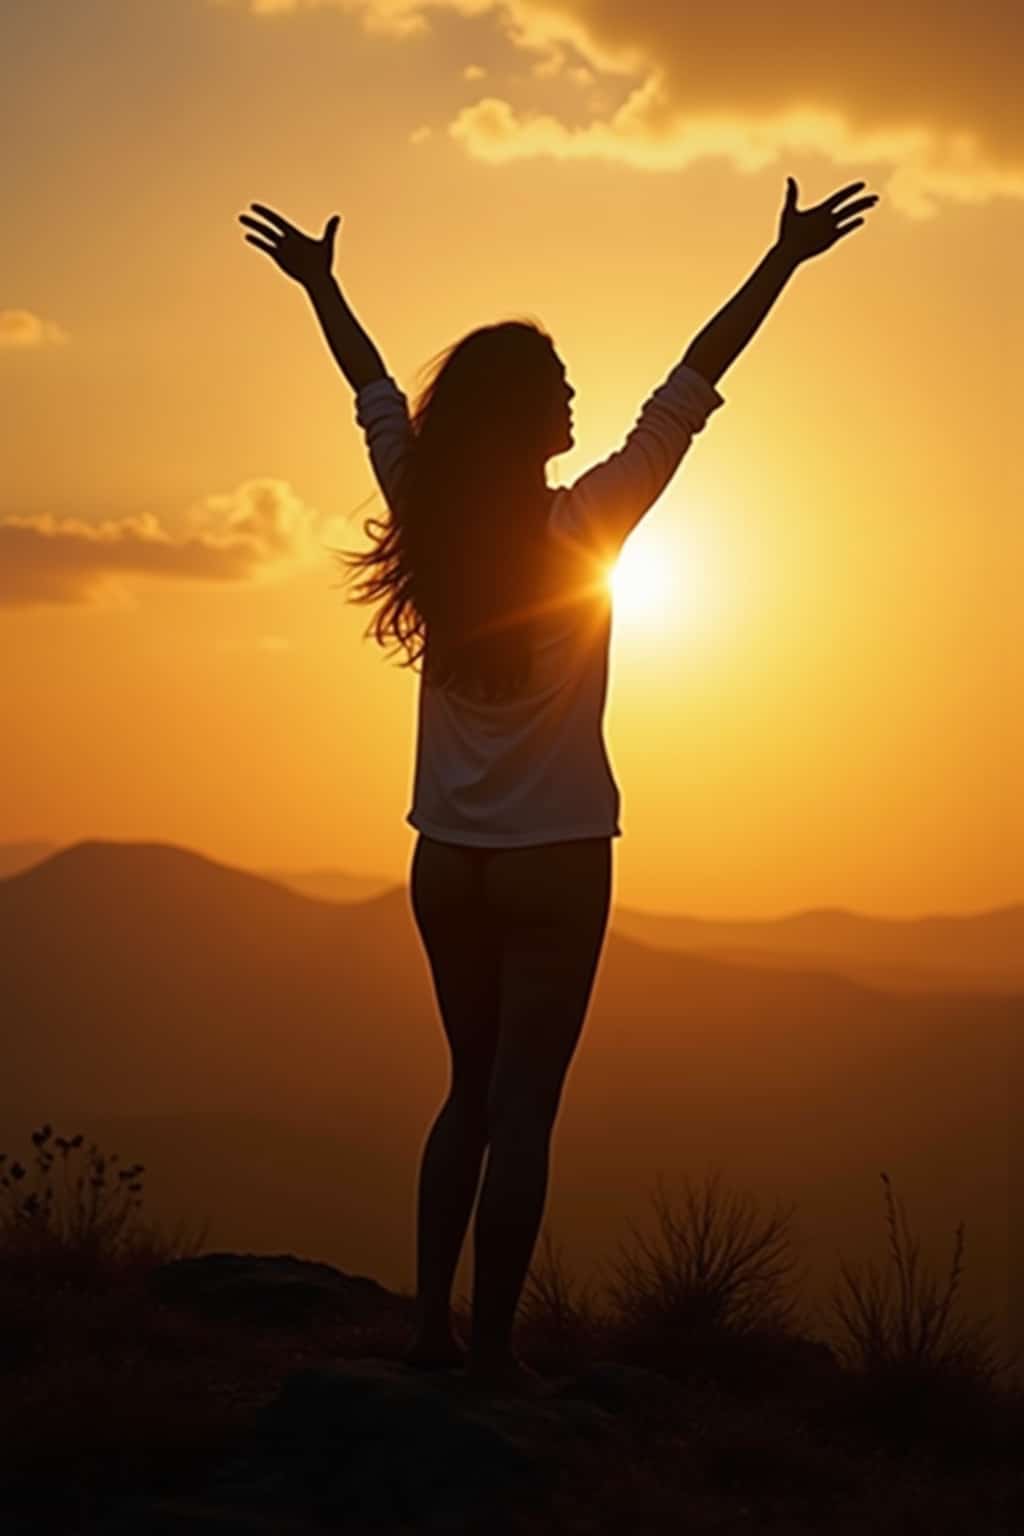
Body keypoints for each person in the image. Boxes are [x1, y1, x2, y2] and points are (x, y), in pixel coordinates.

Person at [238, 175, 880, 1398]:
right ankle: (491, 1353)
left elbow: (371, 396)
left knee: (464, 1096)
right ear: (527, 416)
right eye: (561, 383)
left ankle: (428, 1328)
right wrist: (782, 264)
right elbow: (686, 393)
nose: (579, 396)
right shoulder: (587, 525)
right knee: (524, 1112)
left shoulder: (427, 519)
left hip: (447, 861)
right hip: (559, 857)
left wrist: (322, 288)